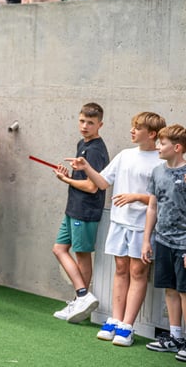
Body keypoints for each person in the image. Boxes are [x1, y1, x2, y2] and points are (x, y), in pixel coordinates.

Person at [70, 112, 166, 344]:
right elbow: (102, 182)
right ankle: (114, 319)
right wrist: (85, 167)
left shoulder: (162, 161)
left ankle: (127, 326)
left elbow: (163, 199)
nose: (132, 131)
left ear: (152, 134)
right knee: (121, 269)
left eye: (137, 128)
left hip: (144, 226)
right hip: (119, 222)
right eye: (132, 126)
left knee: (137, 272)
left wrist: (137, 197)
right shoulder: (125, 155)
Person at [51, 103, 109, 323]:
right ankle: (81, 297)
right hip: (73, 208)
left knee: (82, 255)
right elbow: (82, 179)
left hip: (85, 210)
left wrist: (66, 179)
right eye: (82, 121)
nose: (85, 126)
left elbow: (92, 186)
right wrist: (70, 175)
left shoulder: (95, 149)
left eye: (91, 123)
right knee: (59, 249)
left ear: (100, 125)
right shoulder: (82, 144)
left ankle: (81, 299)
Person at [142, 124, 186, 357]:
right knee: (169, 289)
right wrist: (147, 240)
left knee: (184, 291)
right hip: (163, 241)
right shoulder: (157, 172)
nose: (158, 147)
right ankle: (176, 337)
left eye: (162, 143)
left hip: (184, 245)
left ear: (177, 147)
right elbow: (152, 207)